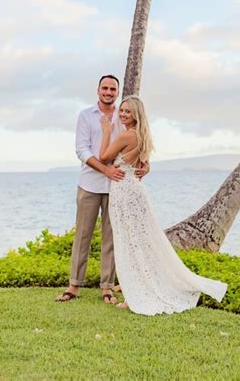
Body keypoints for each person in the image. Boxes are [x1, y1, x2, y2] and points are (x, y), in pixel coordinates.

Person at [98, 95, 228, 315]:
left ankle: (137, 293)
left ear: (136, 115)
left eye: (127, 111)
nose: (122, 114)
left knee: (130, 242)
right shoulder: (142, 136)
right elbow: (143, 164)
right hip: (134, 190)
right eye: (122, 110)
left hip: (124, 191)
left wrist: (107, 130)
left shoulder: (126, 135)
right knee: (138, 241)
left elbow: (103, 157)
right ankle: (137, 287)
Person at [56, 75, 148, 304]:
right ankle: (74, 285)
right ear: (98, 90)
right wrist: (105, 170)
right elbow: (82, 150)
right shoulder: (86, 116)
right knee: (83, 235)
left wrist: (145, 165)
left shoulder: (124, 116)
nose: (108, 92)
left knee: (111, 237)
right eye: (105, 88)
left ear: (117, 93)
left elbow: (136, 145)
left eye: (112, 89)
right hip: (89, 183)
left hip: (117, 188)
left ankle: (107, 287)